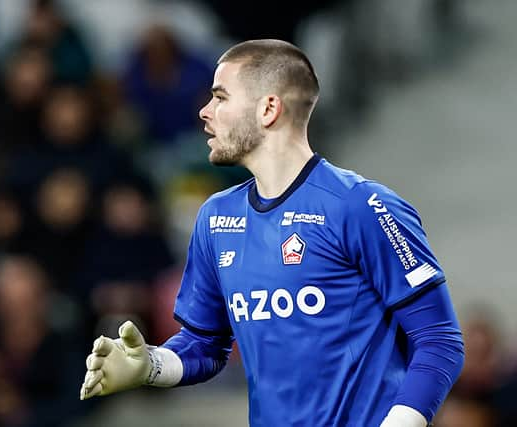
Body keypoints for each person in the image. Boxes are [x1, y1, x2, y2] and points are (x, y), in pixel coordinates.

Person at [79, 39, 465, 427]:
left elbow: (439, 341)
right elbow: (205, 344)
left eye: (220, 97)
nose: (204, 111)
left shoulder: (360, 206)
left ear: (268, 108)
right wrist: (151, 364)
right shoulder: (216, 217)